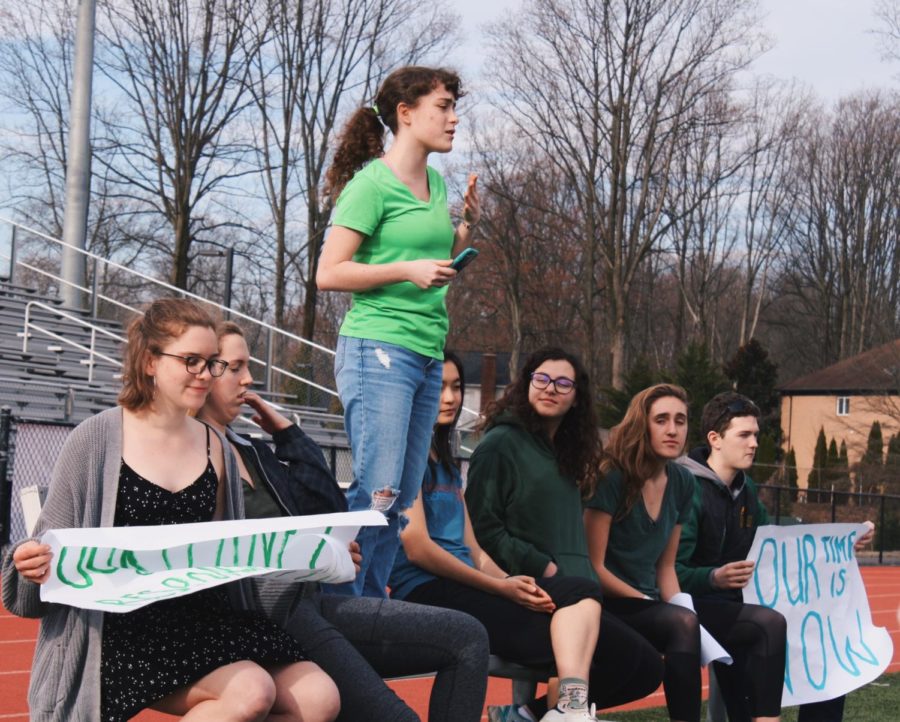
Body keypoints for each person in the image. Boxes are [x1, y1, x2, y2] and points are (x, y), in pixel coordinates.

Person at [1, 298, 339, 722]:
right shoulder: (94, 440)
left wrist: (313, 559)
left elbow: (227, 562)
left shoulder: (216, 445)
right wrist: (29, 563)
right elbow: (43, 559)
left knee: (319, 699)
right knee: (250, 692)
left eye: (212, 362)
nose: (204, 374)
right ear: (149, 362)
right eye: (191, 361)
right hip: (123, 626)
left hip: (204, 617)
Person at [197, 321, 490, 722]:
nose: (249, 379)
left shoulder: (253, 450)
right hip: (272, 613)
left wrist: (289, 436)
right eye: (235, 367)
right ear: (204, 372)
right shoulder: (191, 454)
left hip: (312, 603)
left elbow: (325, 505)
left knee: (468, 636)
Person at [391, 352, 663, 722]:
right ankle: (564, 710)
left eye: (456, 386)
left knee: (592, 601)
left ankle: (566, 709)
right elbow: (418, 547)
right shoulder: (406, 453)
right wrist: (500, 588)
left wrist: (512, 582)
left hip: (474, 586)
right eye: (438, 387)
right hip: (429, 590)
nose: (451, 398)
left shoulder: (448, 461)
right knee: (606, 649)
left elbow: (474, 548)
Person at [317, 65, 480, 597]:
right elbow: (329, 273)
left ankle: (370, 606)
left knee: (402, 495)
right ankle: (338, 607)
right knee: (379, 491)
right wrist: (405, 270)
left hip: (427, 351)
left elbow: (428, 259)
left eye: (455, 107)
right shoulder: (370, 185)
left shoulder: (436, 182)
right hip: (378, 348)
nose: (455, 119)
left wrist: (462, 233)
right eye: (443, 107)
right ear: (405, 115)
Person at [584, 384, 784, 722]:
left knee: (764, 623)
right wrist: (658, 606)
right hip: (606, 600)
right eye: (661, 419)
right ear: (641, 424)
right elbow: (594, 567)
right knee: (682, 624)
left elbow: (666, 569)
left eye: (680, 420)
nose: (673, 429)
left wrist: (678, 606)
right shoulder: (613, 477)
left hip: (654, 602)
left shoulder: (680, 481)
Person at [676, 391, 874, 722]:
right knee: (761, 630)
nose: (754, 443)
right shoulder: (686, 488)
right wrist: (714, 577)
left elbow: (779, 546)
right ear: (715, 439)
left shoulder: (746, 489)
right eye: (744, 435)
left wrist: (840, 546)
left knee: (827, 640)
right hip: (701, 604)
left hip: (743, 602)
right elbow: (669, 572)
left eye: (755, 434)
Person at [465, 347, 602, 581]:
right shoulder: (499, 445)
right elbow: (481, 529)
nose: (550, 388)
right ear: (526, 384)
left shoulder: (571, 453)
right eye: (541, 379)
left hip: (579, 586)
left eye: (563, 383)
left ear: (577, 398)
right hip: (532, 588)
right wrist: (543, 567)